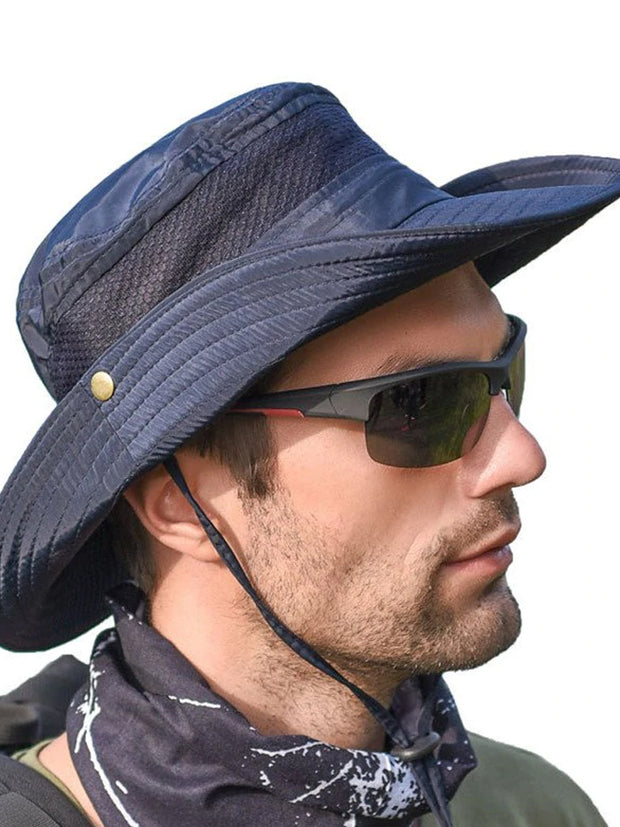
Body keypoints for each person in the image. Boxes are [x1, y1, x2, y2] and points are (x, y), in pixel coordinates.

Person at [0, 81, 618, 826]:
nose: (521, 455)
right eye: (419, 402)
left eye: (503, 371)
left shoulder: (531, 809)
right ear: (180, 506)